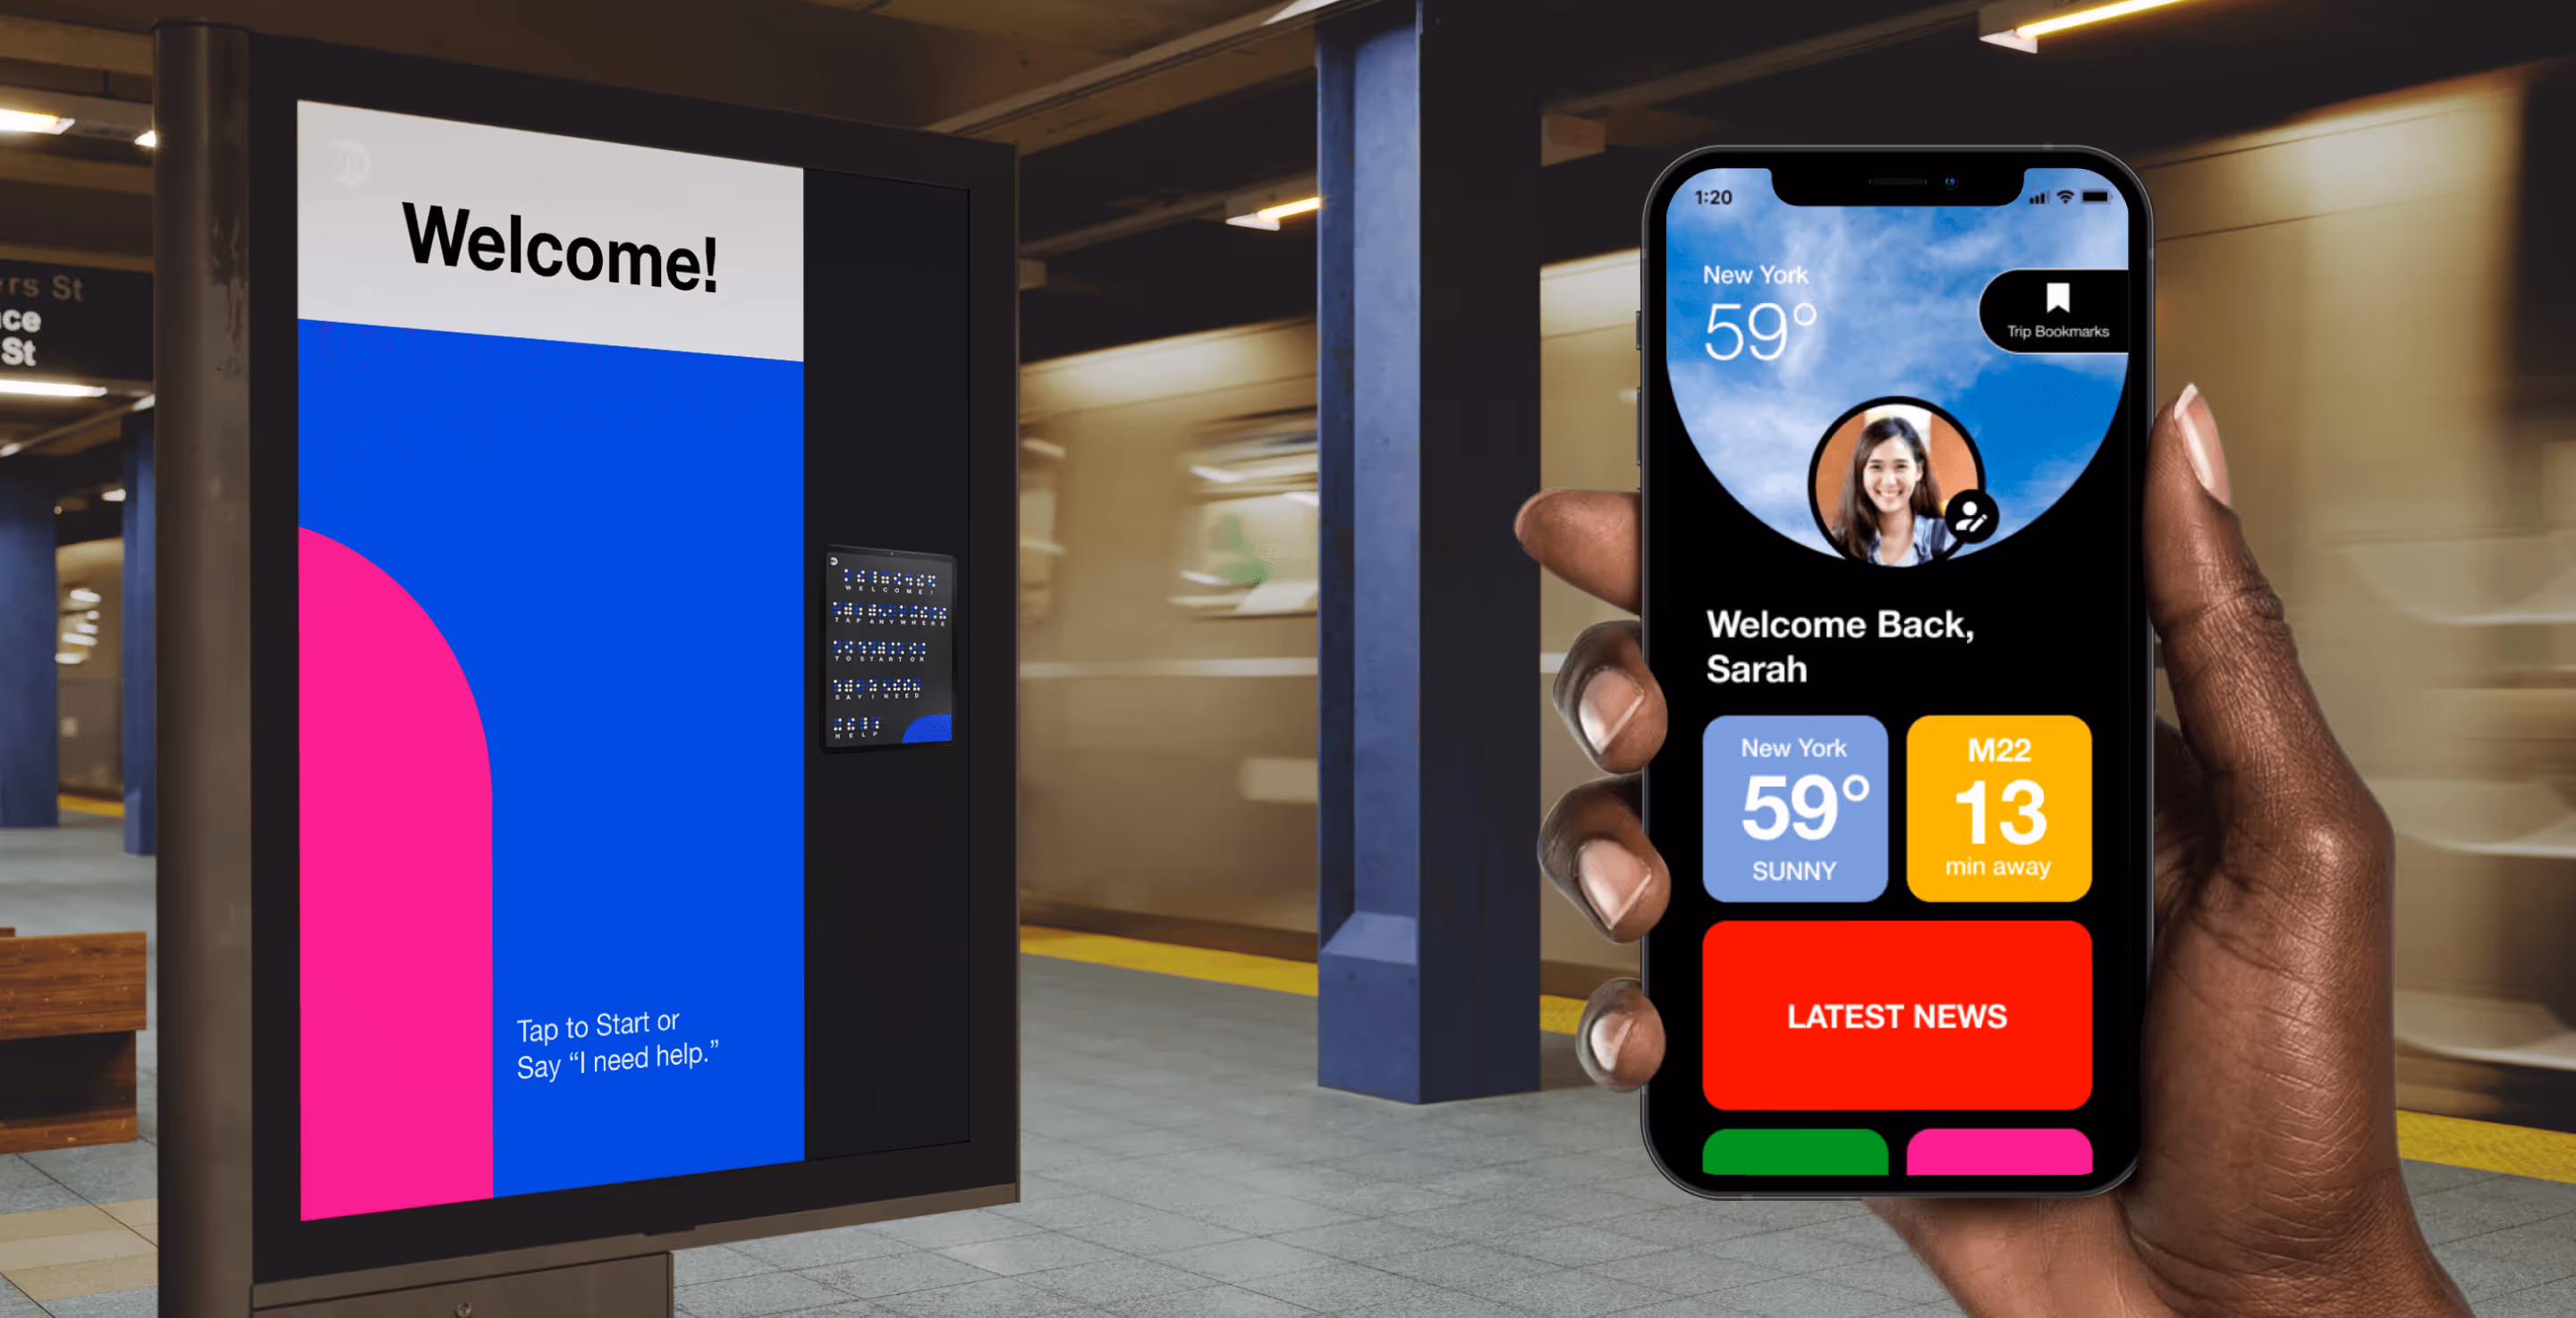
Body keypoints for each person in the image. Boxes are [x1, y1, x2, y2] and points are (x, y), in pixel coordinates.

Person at [1517, 385, 2474, 1318]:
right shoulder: (1821, 556)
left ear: (1922, 475)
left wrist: (2300, 1294)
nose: (1890, 474)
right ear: (1855, 476)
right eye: (1876, 461)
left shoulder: (1951, 546)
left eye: (1904, 460)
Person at [1832, 414, 1952, 565]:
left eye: (1901, 466)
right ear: (1861, 473)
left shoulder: (1948, 539)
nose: (1889, 481)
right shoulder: (1837, 543)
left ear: (1918, 471)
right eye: (1876, 467)